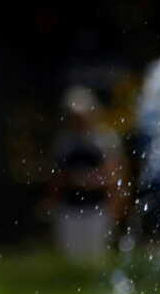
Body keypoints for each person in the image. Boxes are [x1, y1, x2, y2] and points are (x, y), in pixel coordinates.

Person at [46, 86, 125, 261]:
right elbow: (56, 178)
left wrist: (114, 206)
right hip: (69, 208)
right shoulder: (64, 142)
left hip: (97, 208)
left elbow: (114, 175)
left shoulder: (105, 140)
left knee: (96, 257)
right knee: (70, 258)